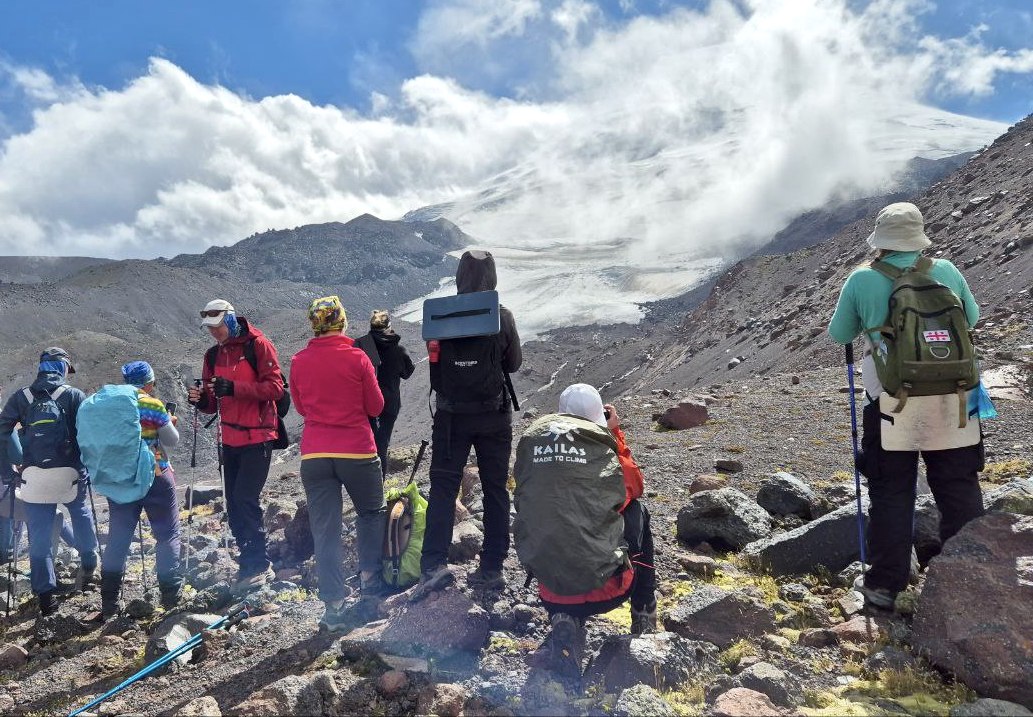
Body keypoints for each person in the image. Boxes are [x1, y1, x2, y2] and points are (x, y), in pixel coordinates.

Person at [828, 202, 985, 610]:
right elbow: (972, 316)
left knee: (892, 492)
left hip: (891, 401)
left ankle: (883, 587)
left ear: (880, 240)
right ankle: (970, 578)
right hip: (954, 397)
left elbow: (839, 332)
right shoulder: (946, 271)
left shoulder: (863, 278)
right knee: (958, 485)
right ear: (919, 237)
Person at [530, 384, 657, 676]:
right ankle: (644, 613)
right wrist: (614, 435)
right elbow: (635, 485)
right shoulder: (606, 456)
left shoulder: (539, 457)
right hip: (608, 589)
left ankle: (565, 619)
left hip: (553, 589)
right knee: (638, 510)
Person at [415, 250, 522, 597]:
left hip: (451, 417)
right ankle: (492, 566)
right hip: (493, 415)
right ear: (492, 276)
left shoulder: (440, 315)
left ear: (460, 275)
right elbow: (515, 363)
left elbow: (434, 365)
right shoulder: (501, 315)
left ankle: (433, 564)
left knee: (444, 489)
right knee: (494, 489)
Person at [290, 296, 387, 630]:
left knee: (326, 528)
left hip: (315, 454)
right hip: (357, 450)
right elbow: (376, 407)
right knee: (371, 514)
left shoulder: (299, 360)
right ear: (342, 322)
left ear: (314, 325)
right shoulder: (357, 358)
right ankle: (371, 587)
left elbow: (301, 408)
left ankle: (333, 606)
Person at [187, 299, 284, 590]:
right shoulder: (212, 355)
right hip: (229, 438)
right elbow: (211, 403)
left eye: (217, 327)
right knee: (233, 502)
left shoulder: (258, 345)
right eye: (209, 329)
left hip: (259, 436)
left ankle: (259, 563)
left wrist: (236, 388)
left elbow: (276, 388)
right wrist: (200, 398)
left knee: (244, 498)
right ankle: (248, 560)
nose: (214, 333)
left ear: (229, 320)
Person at [0, 348, 99, 617]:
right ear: (64, 368)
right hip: (69, 474)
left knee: (39, 537)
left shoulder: (21, 397)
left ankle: (47, 600)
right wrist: (85, 466)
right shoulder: (74, 396)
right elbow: (88, 433)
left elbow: (3, 429)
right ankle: (89, 561)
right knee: (79, 512)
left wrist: (13, 464)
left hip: (34, 478)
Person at [98, 361, 184, 618]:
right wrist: (168, 421)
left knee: (118, 539)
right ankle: (171, 598)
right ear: (149, 382)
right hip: (155, 474)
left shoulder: (111, 406)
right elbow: (171, 440)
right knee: (167, 535)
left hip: (120, 477)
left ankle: (110, 603)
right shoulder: (151, 404)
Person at [356, 310, 416, 478]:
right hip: (389, 405)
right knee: (381, 443)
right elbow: (407, 373)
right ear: (389, 327)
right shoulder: (399, 350)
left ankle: (365, 481)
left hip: (365, 404)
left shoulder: (360, 346)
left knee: (367, 443)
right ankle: (378, 484)